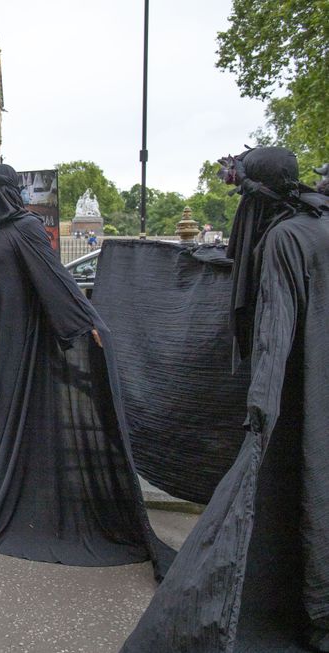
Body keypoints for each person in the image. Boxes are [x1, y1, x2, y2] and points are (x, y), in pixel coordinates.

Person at [122, 146, 329, 652]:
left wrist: (260, 405)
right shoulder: (319, 224)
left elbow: (275, 329)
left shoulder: (283, 237)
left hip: (294, 398)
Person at [0, 163, 169, 577]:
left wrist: (89, 323)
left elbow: (56, 278)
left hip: (14, 338)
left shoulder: (25, 228)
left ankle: (6, 492)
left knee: (6, 406)